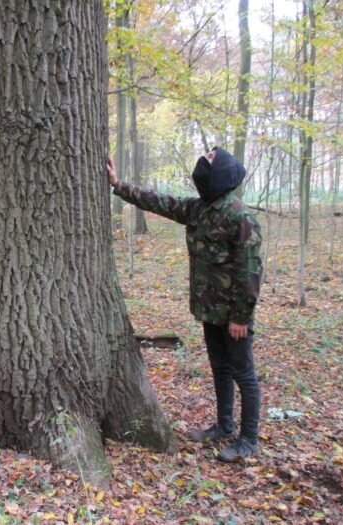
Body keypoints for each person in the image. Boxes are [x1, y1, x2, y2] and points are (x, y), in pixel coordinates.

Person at [107, 147, 262, 462]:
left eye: (210, 159)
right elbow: (159, 201)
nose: (203, 163)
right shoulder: (199, 209)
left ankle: (248, 439)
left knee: (243, 373)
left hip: (233, 316)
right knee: (220, 368)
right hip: (209, 310)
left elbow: (251, 271)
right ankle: (224, 425)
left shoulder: (240, 216)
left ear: (222, 172)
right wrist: (117, 184)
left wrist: (241, 317)